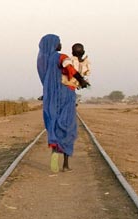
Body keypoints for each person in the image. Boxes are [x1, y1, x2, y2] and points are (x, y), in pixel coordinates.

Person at [37, 34, 89, 172]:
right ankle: (65, 164)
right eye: (59, 43)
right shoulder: (61, 56)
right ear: (54, 44)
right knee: (67, 125)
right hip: (66, 94)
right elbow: (69, 67)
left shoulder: (42, 60)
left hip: (51, 97)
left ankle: (54, 151)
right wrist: (81, 80)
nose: (60, 45)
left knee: (53, 123)